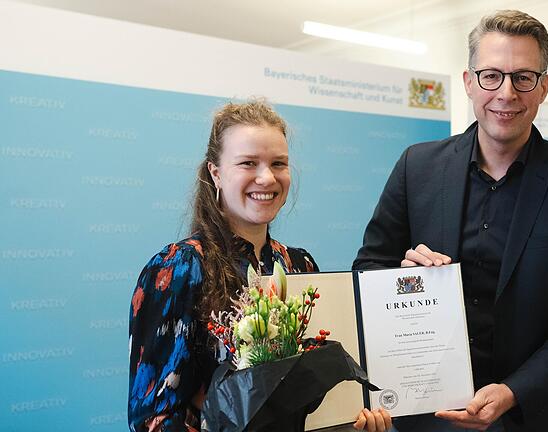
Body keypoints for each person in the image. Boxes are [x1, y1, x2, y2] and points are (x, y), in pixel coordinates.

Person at [353, 10, 548, 432]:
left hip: (528, 413)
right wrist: (404, 278)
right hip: (423, 410)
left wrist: (514, 391)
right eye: (491, 75)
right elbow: (367, 273)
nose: (506, 93)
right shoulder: (416, 167)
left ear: (544, 87)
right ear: (469, 82)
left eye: (524, 77)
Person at [128, 100, 391, 432]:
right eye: (248, 163)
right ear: (216, 172)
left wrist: (351, 423)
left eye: (278, 163)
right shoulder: (178, 269)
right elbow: (152, 417)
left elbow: (313, 396)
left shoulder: (299, 265)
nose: (267, 178)